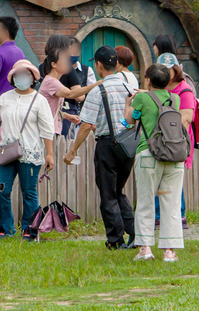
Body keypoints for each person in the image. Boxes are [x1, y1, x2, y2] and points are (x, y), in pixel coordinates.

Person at [0, 60, 55, 242]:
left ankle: (30, 230)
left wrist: (50, 153)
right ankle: (6, 229)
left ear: (33, 77)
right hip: (6, 151)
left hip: (30, 153)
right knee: (1, 189)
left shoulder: (39, 100)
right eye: (17, 74)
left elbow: (47, 129)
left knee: (29, 192)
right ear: (13, 78)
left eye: (25, 73)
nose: (21, 77)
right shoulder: (5, 97)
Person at [63, 45, 138, 250]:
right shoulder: (128, 87)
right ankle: (135, 232)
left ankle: (115, 240)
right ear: (115, 64)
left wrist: (72, 151)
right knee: (117, 190)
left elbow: (86, 124)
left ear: (98, 65)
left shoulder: (98, 90)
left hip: (107, 145)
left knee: (108, 194)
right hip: (128, 145)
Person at [126, 63, 184, 263]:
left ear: (148, 80)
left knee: (145, 202)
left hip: (149, 154)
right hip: (174, 155)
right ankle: (169, 251)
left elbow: (129, 121)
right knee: (172, 203)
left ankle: (145, 248)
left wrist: (130, 104)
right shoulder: (174, 98)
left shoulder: (141, 98)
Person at [153, 50, 196, 228]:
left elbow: (186, 119)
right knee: (160, 176)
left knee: (174, 176)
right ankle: (159, 215)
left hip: (177, 141)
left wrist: (176, 143)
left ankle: (180, 214)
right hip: (160, 140)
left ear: (176, 70)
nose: (166, 72)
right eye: (163, 69)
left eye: (170, 69)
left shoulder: (184, 90)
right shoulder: (159, 88)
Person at [38, 35, 101, 131]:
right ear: (54, 64)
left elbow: (51, 108)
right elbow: (72, 94)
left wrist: (66, 116)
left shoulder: (42, 69)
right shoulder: (51, 81)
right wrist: (95, 85)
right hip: (48, 127)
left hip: (55, 123)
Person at [58, 36, 96, 137]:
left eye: (76, 52)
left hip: (83, 118)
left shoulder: (87, 70)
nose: (73, 55)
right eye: (71, 52)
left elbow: (92, 95)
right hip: (63, 114)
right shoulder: (58, 70)